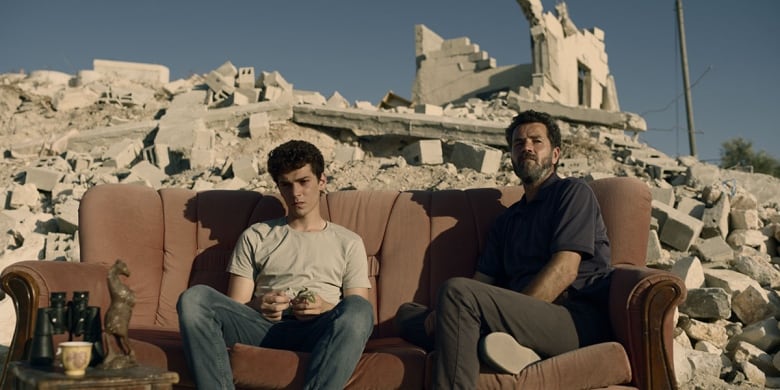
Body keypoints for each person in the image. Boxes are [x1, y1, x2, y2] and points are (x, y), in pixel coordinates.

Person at [395, 110, 614, 388]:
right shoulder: (506, 222)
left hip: (573, 319)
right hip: (519, 319)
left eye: (536, 141)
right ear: (511, 156)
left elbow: (565, 270)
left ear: (556, 154)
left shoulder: (572, 193)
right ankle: (504, 344)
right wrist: (448, 313)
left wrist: (497, 317)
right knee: (407, 315)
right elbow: (481, 283)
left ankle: (494, 339)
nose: (527, 148)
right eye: (518, 144)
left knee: (456, 294)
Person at [177, 140, 374, 390]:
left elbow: (357, 313)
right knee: (194, 299)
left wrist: (324, 307)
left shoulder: (349, 242)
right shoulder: (256, 236)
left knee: (359, 309)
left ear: (322, 181)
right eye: (286, 185)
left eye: (304, 182)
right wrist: (259, 305)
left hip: (320, 332)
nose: (296, 193)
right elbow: (236, 306)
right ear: (279, 187)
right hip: (262, 328)